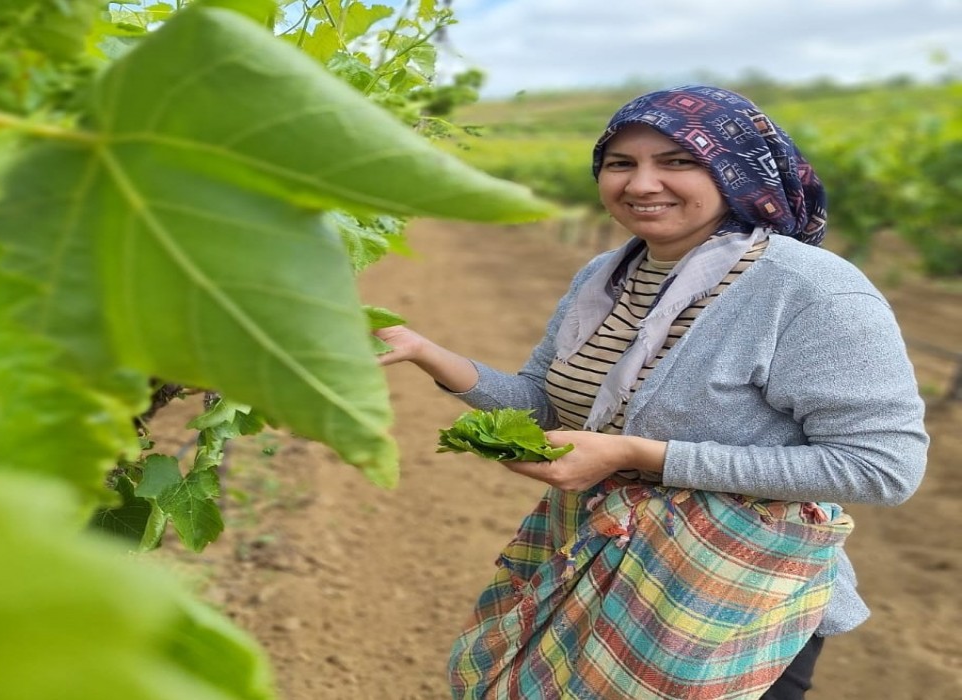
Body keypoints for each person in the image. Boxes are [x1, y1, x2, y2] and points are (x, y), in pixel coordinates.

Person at [375, 85, 928, 699]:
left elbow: (882, 468)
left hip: (730, 597)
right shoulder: (609, 274)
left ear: (736, 173)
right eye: (621, 163)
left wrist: (642, 457)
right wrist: (427, 352)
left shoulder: (808, 290)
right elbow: (546, 404)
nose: (641, 184)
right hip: (604, 556)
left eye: (678, 161)